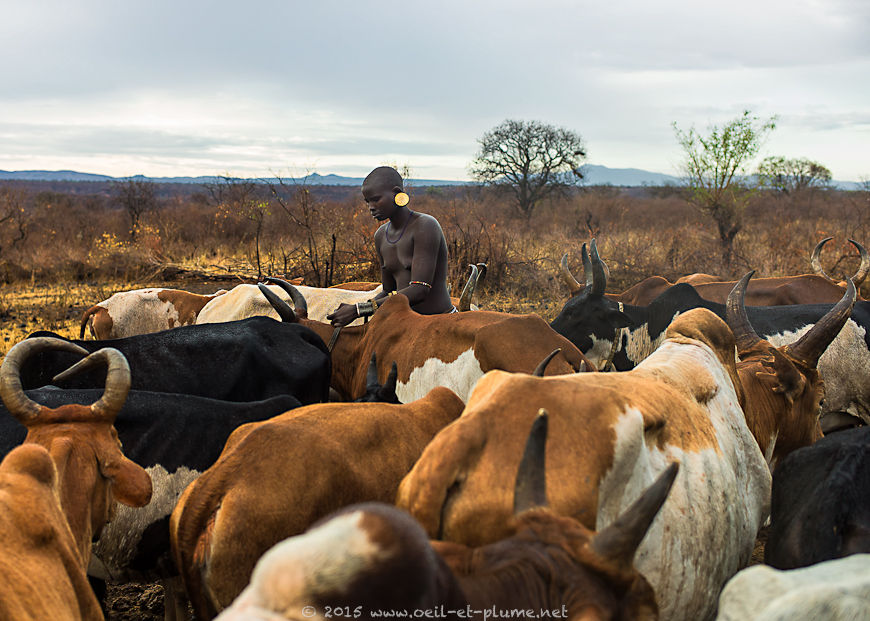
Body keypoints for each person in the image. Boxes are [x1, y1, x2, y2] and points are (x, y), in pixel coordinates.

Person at [326, 166, 454, 327]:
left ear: (396, 192)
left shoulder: (425, 226)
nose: (371, 207)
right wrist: (356, 309)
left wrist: (360, 309)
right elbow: (388, 291)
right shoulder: (381, 235)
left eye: (376, 199)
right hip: (405, 324)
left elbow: (419, 290)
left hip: (439, 322)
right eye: (367, 201)